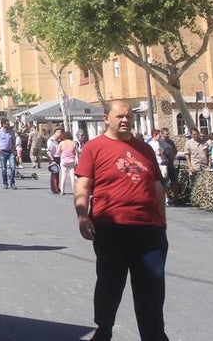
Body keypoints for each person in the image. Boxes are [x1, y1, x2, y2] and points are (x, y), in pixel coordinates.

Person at [74, 100, 169, 341]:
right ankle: (103, 330)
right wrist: (82, 215)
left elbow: (157, 187)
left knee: (152, 288)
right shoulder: (94, 148)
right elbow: (83, 185)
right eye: (120, 116)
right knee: (110, 283)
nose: (125, 120)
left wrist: (162, 223)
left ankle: (154, 335)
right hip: (111, 227)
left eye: (128, 116)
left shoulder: (145, 149)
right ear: (106, 118)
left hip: (149, 229)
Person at [0, 119, 17, 189]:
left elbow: (14, 141)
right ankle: (5, 183)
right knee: (4, 169)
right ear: (3, 124)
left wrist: (13, 149)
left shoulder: (11, 132)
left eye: (8, 124)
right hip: (2, 152)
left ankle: (12, 183)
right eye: (7, 124)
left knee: (13, 168)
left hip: (10, 152)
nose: (8, 125)